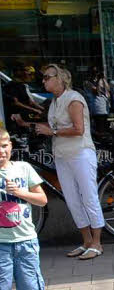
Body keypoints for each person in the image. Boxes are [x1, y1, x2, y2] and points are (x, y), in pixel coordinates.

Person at [23, 65, 105, 260]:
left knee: (88, 197)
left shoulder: (74, 99)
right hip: (62, 155)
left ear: (60, 79)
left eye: (46, 77)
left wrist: (52, 132)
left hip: (80, 153)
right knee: (72, 199)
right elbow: (53, 127)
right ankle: (86, 240)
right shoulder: (55, 102)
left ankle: (97, 242)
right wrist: (26, 124)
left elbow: (79, 129)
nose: (43, 81)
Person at [0, 127, 54, 290]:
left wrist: (21, 192)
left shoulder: (24, 168)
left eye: (4, 145)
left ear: (11, 146)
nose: (1, 151)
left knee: (32, 285)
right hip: (1, 244)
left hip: (26, 241)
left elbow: (42, 200)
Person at [3, 64, 44, 129]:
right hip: (18, 114)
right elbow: (16, 103)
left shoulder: (22, 85)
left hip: (26, 111)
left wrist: (42, 108)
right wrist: (33, 109)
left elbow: (31, 102)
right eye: (29, 74)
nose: (31, 77)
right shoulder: (12, 85)